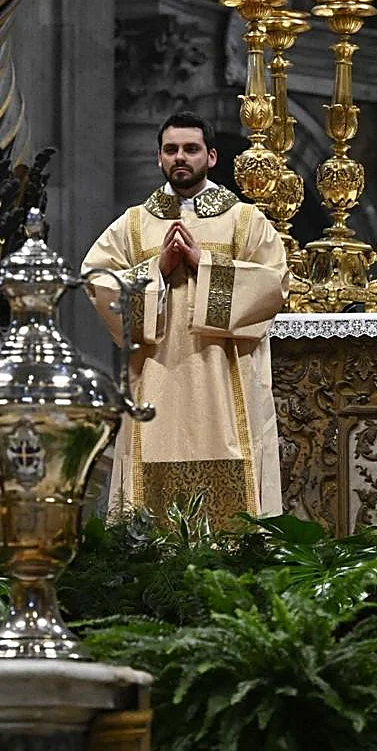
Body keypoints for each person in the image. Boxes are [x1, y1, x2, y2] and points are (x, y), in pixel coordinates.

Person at [83, 111, 289, 528]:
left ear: (211, 157)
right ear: (158, 157)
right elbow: (98, 281)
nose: (181, 157)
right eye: (171, 149)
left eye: (191, 149)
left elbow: (275, 284)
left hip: (224, 384)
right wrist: (155, 269)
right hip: (155, 381)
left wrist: (203, 264)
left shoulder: (244, 221)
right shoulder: (134, 224)